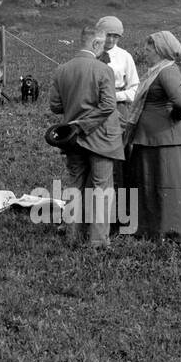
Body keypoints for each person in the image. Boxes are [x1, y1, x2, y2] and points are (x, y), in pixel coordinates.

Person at [47, 23, 124, 248]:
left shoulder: (62, 69)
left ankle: (72, 235)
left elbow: (55, 106)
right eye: (102, 44)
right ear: (95, 43)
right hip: (101, 139)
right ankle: (98, 241)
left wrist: (75, 116)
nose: (104, 49)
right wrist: (84, 124)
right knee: (102, 188)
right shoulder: (103, 70)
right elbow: (109, 105)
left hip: (71, 138)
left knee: (74, 185)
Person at [124, 30, 181, 244]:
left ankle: (172, 231)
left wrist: (170, 118)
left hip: (165, 138)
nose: (146, 50)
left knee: (166, 183)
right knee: (150, 181)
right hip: (151, 137)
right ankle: (151, 228)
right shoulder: (156, 70)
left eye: (150, 46)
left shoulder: (167, 71)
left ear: (161, 50)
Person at [96, 15, 139, 198]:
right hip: (94, 110)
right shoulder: (91, 54)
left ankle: (121, 202)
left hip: (118, 109)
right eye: (108, 35)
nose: (111, 40)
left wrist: (115, 97)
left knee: (118, 155)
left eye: (116, 36)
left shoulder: (125, 57)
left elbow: (135, 89)